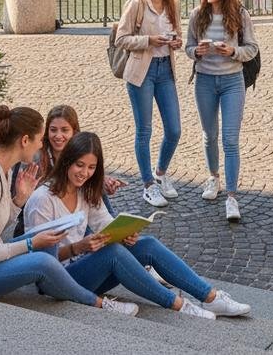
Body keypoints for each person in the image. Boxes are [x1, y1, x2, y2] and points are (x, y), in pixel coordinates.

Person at [0, 105, 138, 317]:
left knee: (48, 238)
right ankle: (98, 303)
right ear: (25, 141)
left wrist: (18, 201)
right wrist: (31, 244)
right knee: (42, 259)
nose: (43, 145)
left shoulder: (1, 168)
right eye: (40, 139)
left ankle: (56, 284)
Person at [24, 132, 251, 319]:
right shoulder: (43, 200)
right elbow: (39, 260)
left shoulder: (85, 190)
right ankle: (179, 305)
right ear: (67, 162)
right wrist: (79, 247)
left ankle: (210, 297)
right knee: (113, 253)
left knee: (146, 244)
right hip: (54, 281)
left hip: (83, 270)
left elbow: (105, 223)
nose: (85, 173)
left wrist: (124, 233)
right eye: (79, 165)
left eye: (92, 167)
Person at [186, 0, 259, 221]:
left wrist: (232, 51)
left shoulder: (240, 14)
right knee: (209, 135)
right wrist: (198, 51)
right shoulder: (197, 15)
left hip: (232, 81)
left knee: (230, 139)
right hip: (204, 80)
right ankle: (213, 178)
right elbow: (188, 47)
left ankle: (232, 197)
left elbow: (252, 48)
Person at [114, 0, 184, 207]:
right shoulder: (136, 4)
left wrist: (176, 43)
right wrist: (148, 41)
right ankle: (147, 185)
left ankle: (161, 174)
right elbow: (121, 39)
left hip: (166, 70)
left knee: (174, 130)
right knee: (144, 130)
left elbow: (177, 36)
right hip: (141, 72)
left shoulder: (173, 4)